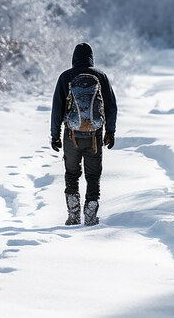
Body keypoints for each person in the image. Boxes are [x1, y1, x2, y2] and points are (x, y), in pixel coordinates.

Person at [50, 42, 117, 226]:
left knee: (71, 175)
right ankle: (90, 216)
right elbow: (111, 106)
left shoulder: (65, 77)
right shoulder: (100, 76)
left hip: (71, 136)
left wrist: (54, 135)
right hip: (95, 136)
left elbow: (57, 108)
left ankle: (73, 216)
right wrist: (110, 131)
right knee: (93, 176)